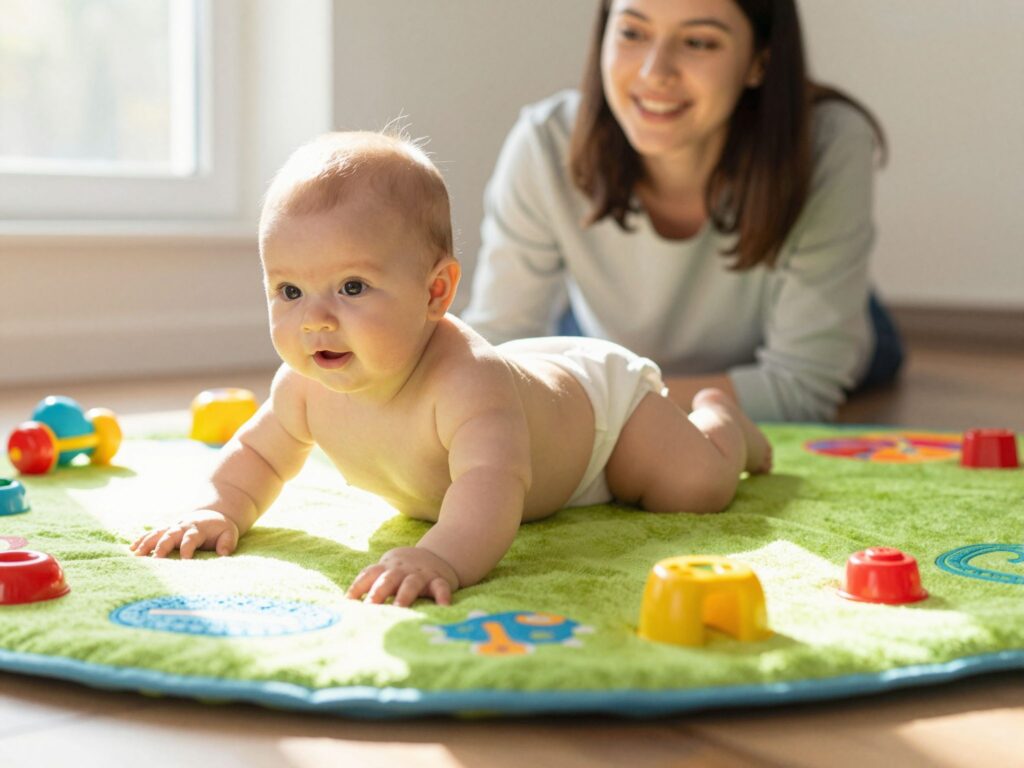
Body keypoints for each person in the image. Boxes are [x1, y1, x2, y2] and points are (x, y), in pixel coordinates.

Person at [131, 131, 771, 607]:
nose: (315, 320)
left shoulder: (467, 383)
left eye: (352, 288)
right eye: (289, 291)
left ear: (436, 294)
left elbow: (492, 490)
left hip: (601, 425)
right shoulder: (303, 386)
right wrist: (218, 508)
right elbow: (259, 457)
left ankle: (720, 421)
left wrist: (438, 555)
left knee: (694, 489)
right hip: (533, 387)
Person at [462, 0, 904, 423]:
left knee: (865, 353)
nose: (655, 72)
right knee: (575, 350)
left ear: (760, 61)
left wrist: (595, 406)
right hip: (613, 336)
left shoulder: (829, 143)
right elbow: (494, 349)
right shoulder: (545, 143)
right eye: (632, 32)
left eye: (699, 42)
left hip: (772, 327)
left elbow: (803, 386)